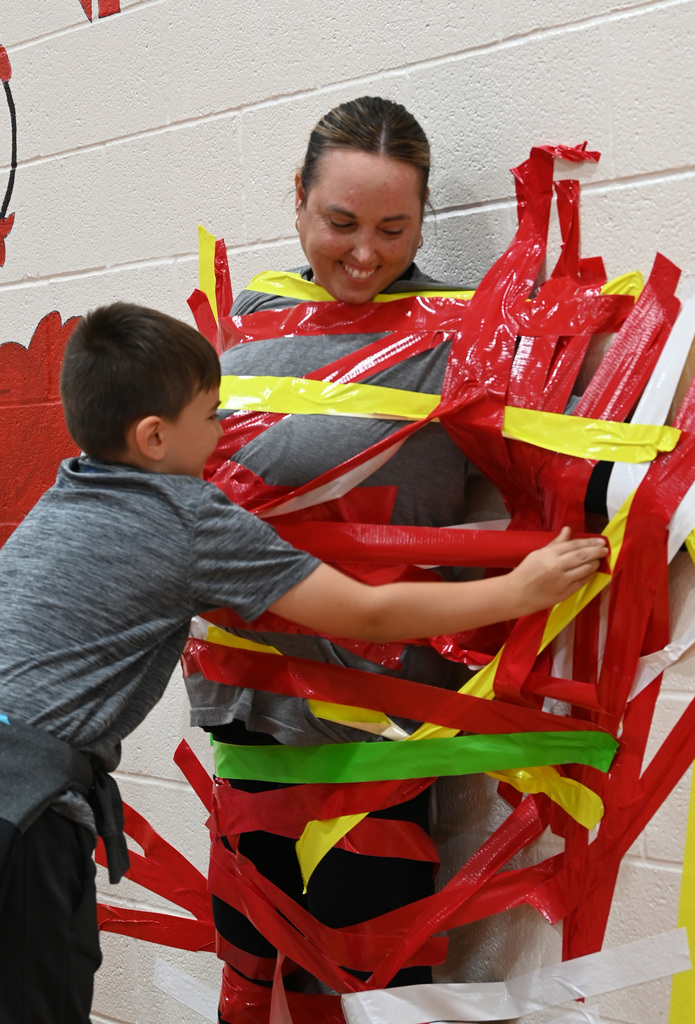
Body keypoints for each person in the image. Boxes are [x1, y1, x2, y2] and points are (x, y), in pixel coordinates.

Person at [0, 299, 604, 1024]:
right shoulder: (187, 517)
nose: (226, 430)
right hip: (26, 811)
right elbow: (364, 614)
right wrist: (517, 590)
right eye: (214, 415)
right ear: (155, 437)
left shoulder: (65, 494)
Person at [184, 96, 602, 1015]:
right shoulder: (253, 318)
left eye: (392, 228)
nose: (365, 254)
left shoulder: (460, 332)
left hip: (371, 723)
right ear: (298, 198)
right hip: (242, 709)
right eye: (340, 223)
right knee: (249, 981)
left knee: (377, 989)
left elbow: (585, 449)